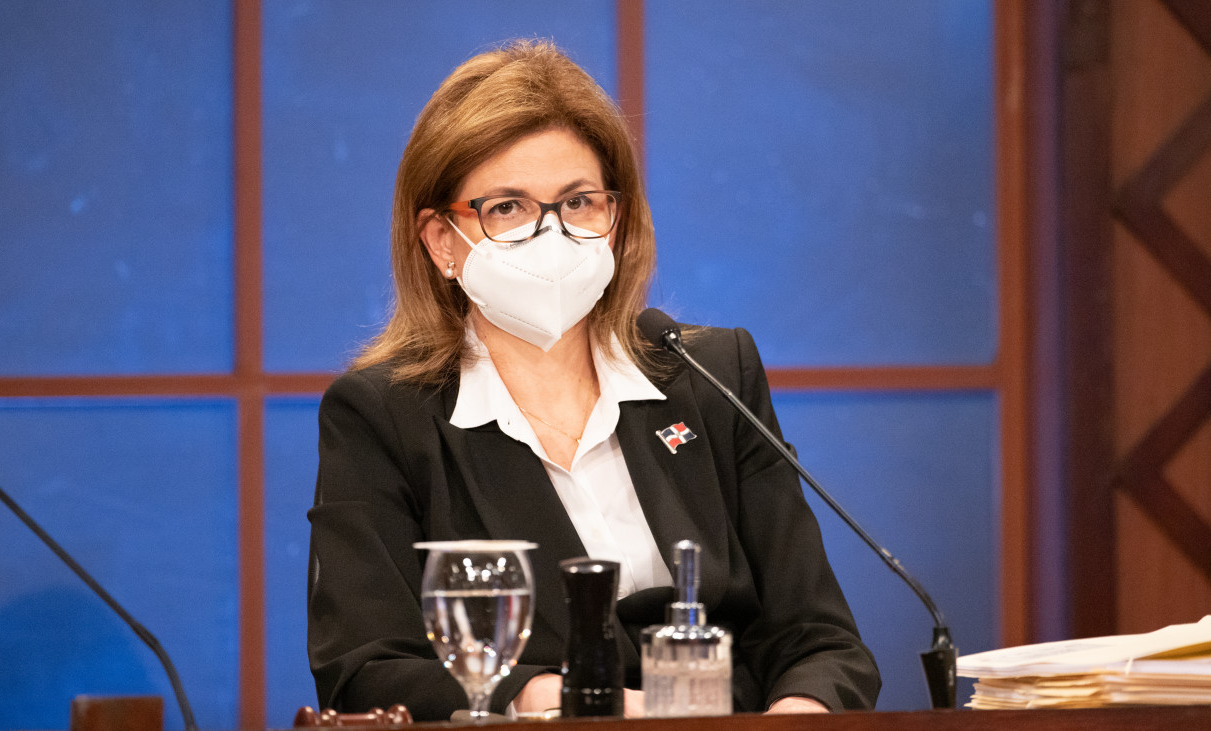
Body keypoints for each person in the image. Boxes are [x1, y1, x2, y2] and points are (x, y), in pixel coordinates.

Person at [307, 39, 880, 722]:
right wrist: (571, 703)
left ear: (616, 217)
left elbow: (818, 640)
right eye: (508, 208)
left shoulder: (710, 376)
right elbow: (367, 671)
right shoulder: (382, 416)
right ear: (440, 240)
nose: (552, 235)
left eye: (579, 201)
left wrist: (795, 714)